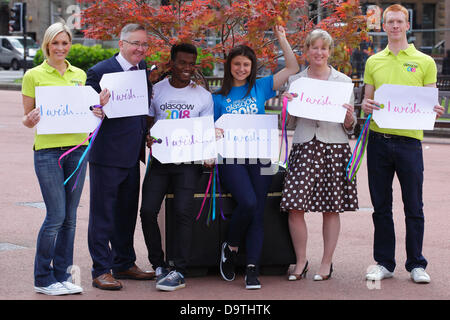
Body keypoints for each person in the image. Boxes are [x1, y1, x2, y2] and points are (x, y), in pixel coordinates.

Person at [362, 4, 445, 284]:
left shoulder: (425, 61)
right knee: (381, 206)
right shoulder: (373, 61)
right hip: (378, 141)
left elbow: (429, 101)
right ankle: (384, 262)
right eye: (390, 22)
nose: (395, 26)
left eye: (399, 21)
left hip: (410, 143)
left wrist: (434, 109)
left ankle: (416, 264)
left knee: (414, 205)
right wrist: (365, 104)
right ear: (383, 26)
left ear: (407, 25)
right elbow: (367, 102)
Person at [213, 26, 299, 289]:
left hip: (261, 158)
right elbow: (212, 129)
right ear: (229, 66)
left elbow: (293, 68)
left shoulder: (261, 87)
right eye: (237, 64)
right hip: (231, 159)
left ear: (252, 67)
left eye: (246, 64)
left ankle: (252, 268)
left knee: (258, 211)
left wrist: (283, 39)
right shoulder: (218, 98)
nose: (241, 68)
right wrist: (213, 131)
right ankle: (232, 246)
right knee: (249, 203)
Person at [21, 22, 101, 295]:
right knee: (55, 215)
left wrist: (98, 112)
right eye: (55, 43)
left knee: (69, 218)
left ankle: (62, 275)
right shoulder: (33, 75)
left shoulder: (79, 74)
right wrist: (29, 120)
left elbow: (88, 110)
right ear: (46, 45)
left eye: (65, 43)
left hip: (78, 151)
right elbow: (27, 119)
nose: (60, 48)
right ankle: (43, 279)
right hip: (47, 153)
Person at [280, 29, 358, 282]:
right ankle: (301, 260)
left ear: (329, 52)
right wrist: (286, 106)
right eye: (314, 47)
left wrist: (349, 119)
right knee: (294, 205)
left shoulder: (343, 82)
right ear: (306, 50)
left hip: (334, 147)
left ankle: (326, 263)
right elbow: (290, 122)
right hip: (304, 144)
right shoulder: (297, 81)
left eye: (324, 48)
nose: (319, 52)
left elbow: (350, 126)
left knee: (331, 208)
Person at [140, 43, 214, 292]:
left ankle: (180, 269)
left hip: (187, 163)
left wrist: (206, 153)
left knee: (183, 212)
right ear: (172, 63)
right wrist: (148, 136)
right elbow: (148, 124)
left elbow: (205, 132)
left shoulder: (203, 96)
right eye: (182, 63)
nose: (187, 68)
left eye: (191, 63)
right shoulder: (156, 91)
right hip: (160, 161)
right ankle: (158, 264)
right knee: (148, 211)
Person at [86, 23, 155, 291]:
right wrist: (96, 107)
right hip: (107, 155)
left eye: (144, 44)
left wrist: (147, 133)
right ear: (121, 43)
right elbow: (88, 109)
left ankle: (124, 262)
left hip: (132, 155)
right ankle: (100, 269)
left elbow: (142, 111)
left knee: (127, 212)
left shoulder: (142, 72)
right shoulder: (100, 72)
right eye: (135, 43)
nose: (140, 48)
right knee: (103, 214)